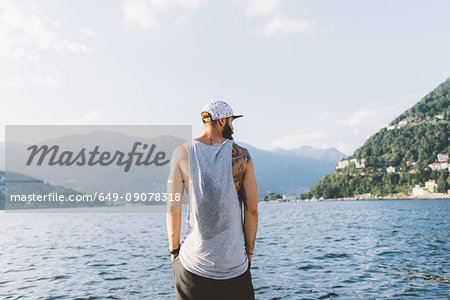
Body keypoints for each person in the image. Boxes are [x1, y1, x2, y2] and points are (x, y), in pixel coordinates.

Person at [166, 100, 258, 300]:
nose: (233, 127)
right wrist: (249, 253)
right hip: (235, 266)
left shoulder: (182, 153)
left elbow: (173, 207)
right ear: (222, 120)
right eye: (232, 121)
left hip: (193, 265)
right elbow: (251, 209)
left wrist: (174, 251)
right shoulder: (243, 156)